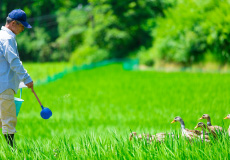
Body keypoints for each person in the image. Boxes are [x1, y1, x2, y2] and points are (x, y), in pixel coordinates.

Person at [0, 9, 33, 148]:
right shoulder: (8, 39)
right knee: (9, 120)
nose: (23, 29)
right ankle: (12, 153)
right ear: (13, 23)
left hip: (2, 84)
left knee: (2, 121)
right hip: (5, 86)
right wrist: (26, 78)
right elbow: (13, 61)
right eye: (22, 26)